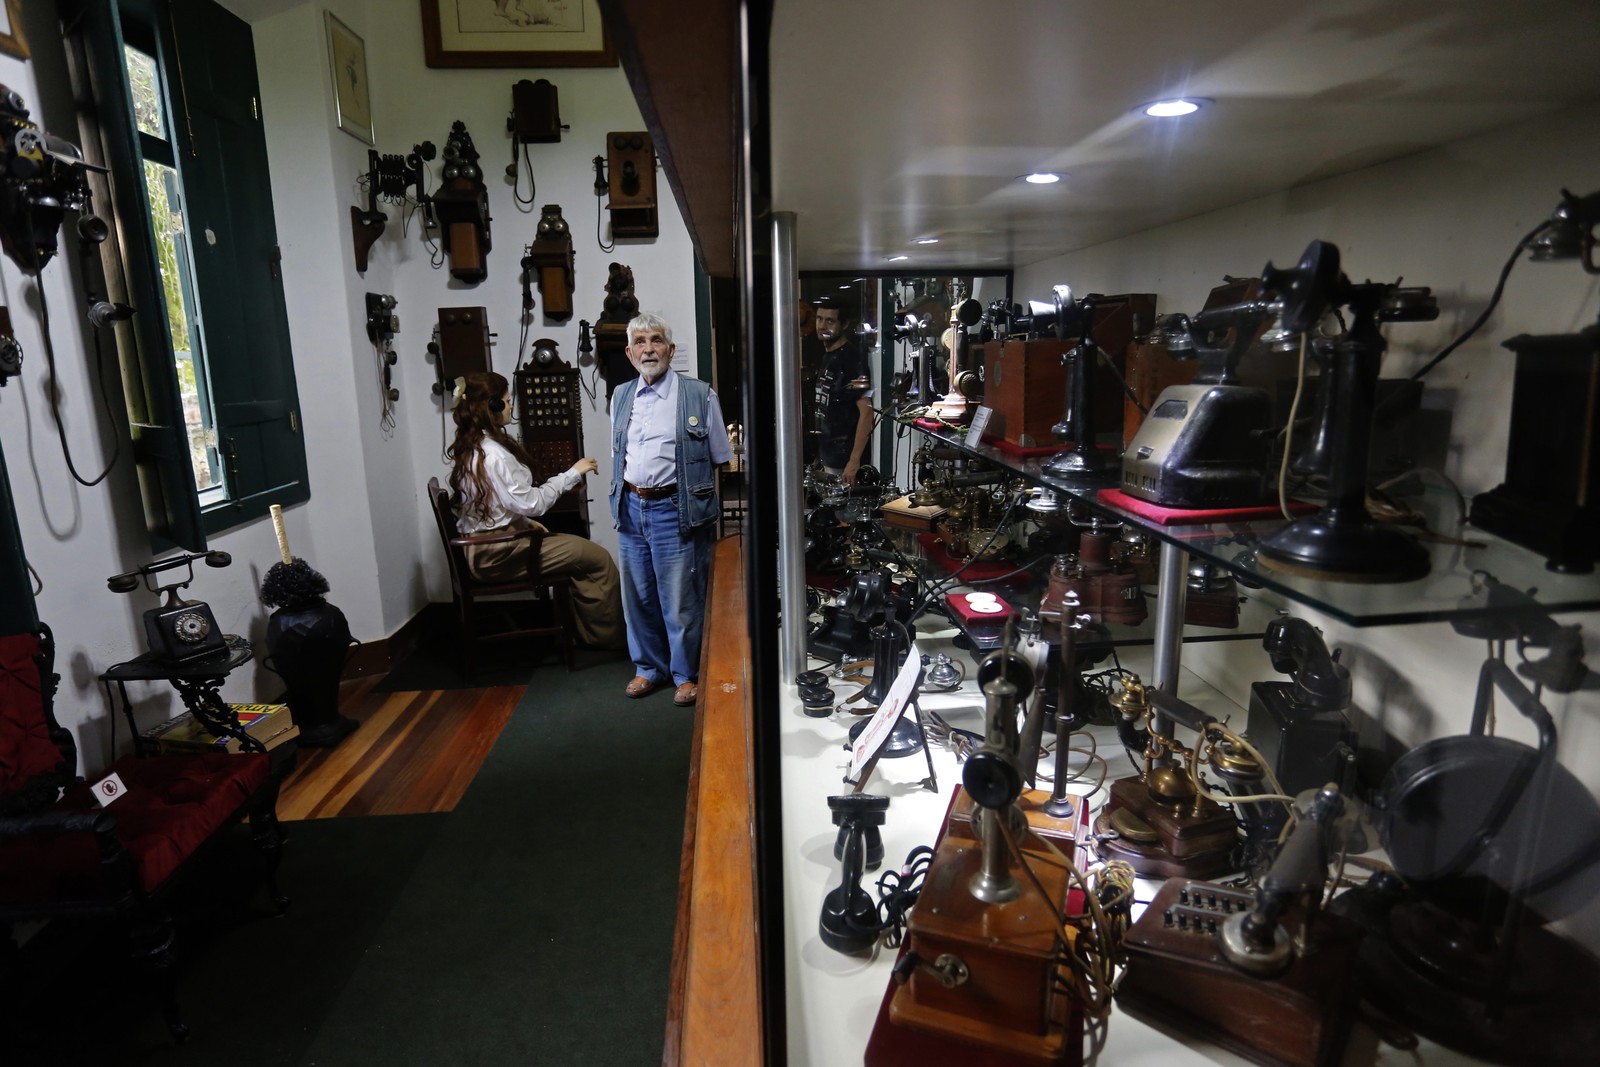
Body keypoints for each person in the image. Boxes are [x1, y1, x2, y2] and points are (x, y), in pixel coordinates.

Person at [447, 372, 625, 650]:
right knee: (597, 558)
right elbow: (534, 503)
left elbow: (502, 502)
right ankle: (605, 640)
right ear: (492, 407)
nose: (510, 407)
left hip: (488, 548)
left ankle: (583, 632)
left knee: (580, 552)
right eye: (506, 402)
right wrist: (573, 473)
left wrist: (522, 522)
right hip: (497, 554)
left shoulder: (476, 447)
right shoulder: (494, 454)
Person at [609, 313, 732, 706]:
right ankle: (648, 669)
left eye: (657, 340)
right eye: (641, 342)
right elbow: (620, 454)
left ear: (671, 349)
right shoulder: (620, 395)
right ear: (630, 353)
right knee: (638, 598)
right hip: (630, 505)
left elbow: (718, 455)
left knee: (680, 599)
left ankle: (685, 674)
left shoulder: (699, 394)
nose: (649, 349)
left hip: (674, 509)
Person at [812, 296, 875, 484]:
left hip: (844, 459)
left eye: (830, 321)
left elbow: (867, 413)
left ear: (844, 324)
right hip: (828, 454)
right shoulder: (829, 356)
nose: (822, 326)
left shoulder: (851, 359)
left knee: (846, 511)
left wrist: (854, 461)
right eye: (819, 318)